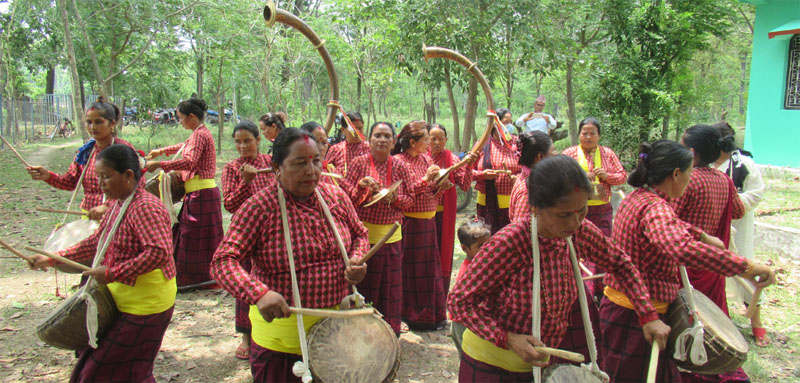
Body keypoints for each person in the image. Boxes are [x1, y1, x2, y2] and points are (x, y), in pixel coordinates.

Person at [449, 155, 667, 382]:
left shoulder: (580, 231)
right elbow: (459, 301)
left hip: (542, 366)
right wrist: (509, 339)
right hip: (493, 365)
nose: (574, 223)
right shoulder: (509, 243)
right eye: (564, 215)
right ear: (535, 209)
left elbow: (621, 264)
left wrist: (648, 314)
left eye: (581, 211)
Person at [601, 140, 775, 382]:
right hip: (637, 313)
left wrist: (702, 235)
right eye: (690, 172)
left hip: (626, 307)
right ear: (675, 174)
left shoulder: (639, 198)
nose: (690, 178)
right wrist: (744, 267)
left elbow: (672, 228)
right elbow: (680, 248)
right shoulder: (655, 207)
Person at [210, 128, 368, 382]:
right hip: (281, 344)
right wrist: (258, 293)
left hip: (335, 334)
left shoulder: (335, 196)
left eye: (316, 161)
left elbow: (360, 234)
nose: (311, 171)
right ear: (276, 168)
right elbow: (222, 262)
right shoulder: (259, 208)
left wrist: (357, 260)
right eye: (299, 163)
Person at [30, 144, 176, 382]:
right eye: (98, 177)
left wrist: (112, 273)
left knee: (103, 372)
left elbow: (159, 253)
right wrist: (51, 258)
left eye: (106, 177)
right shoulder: (117, 203)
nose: (100, 184)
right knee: (115, 369)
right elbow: (97, 242)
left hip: (147, 303)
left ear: (128, 175)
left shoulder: (145, 207)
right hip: (122, 297)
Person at [342, 121, 414, 335]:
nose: (381, 140)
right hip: (361, 238)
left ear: (393, 143)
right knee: (364, 284)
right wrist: (361, 188)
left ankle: (389, 333)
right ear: (369, 140)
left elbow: (410, 200)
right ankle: (361, 331)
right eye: (377, 135)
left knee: (389, 288)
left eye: (386, 136)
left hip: (390, 237)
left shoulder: (401, 166)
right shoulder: (357, 164)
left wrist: (393, 198)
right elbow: (345, 197)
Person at [146, 98, 222, 288]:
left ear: (192, 117)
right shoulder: (198, 133)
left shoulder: (200, 135)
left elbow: (189, 161)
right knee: (194, 237)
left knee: (191, 238)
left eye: (181, 119)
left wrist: (160, 164)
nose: (179, 122)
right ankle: (200, 278)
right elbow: (184, 146)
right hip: (200, 194)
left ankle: (196, 280)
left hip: (202, 194)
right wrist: (161, 151)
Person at [27, 98, 138, 220]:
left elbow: (137, 184)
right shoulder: (86, 152)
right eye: (89, 122)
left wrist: (107, 206)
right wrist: (48, 176)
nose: (93, 127)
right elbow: (71, 182)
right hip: (88, 215)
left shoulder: (123, 149)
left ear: (112, 124)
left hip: (116, 216)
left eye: (98, 122)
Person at [221, 120, 275, 360]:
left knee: (268, 280)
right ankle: (246, 335)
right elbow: (230, 204)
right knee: (245, 284)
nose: (242, 146)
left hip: (271, 232)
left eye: (247, 141)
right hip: (244, 235)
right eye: (238, 142)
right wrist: (246, 182)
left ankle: (270, 331)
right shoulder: (232, 169)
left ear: (258, 140)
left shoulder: (270, 163)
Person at [713, 122, 769, 347]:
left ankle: (757, 323)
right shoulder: (706, 164)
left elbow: (757, 193)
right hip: (712, 226)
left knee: (745, 268)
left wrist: (731, 204)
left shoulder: (744, 164)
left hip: (738, 224)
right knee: (714, 272)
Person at [392, 120, 447, 330]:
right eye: (425, 140)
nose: (428, 144)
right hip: (411, 223)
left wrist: (440, 183)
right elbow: (405, 194)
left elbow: (430, 190)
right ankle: (410, 314)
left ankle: (431, 314)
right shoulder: (398, 162)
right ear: (413, 142)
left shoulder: (425, 159)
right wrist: (426, 179)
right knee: (410, 269)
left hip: (429, 221)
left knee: (429, 268)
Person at [429, 124, 476, 291]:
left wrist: (469, 166)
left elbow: (464, 185)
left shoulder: (452, 160)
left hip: (443, 215)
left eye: (440, 139)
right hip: (423, 216)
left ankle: (440, 291)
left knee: (443, 253)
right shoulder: (421, 158)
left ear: (446, 140)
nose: (436, 142)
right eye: (433, 139)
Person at [562, 118, 626, 236]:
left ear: (599, 136)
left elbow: (622, 176)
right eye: (585, 133)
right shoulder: (569, 154)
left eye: (592, 134)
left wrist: (607, 176)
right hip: (576, 208)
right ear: (579, 135)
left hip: (603, 208)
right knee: (578, 242)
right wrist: (580, 177)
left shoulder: (608, 154)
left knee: (603, 241)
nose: (588, 137)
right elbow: (559, 177)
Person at [449, 218, 491, 354]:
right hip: (464, 324)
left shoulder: (481, 264)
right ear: (465, 248)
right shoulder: (470, 271)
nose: (486, 249)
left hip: (470, 322)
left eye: (488, 244)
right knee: (469, 359)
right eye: (480, 246)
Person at [472, 121, 521, 234]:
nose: (507, 126)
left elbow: (527, 168)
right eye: (504, 122)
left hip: (512, 204)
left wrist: (518, 178)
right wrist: (482, 175)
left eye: (510, 121)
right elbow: (467, 171)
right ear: (494, 125)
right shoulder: (482, 144)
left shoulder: (517, 144)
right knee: (486, 237)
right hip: (486, 205)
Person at [508, 131, 555, 222]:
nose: (556, 154)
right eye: (553, 150)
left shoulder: (531, 180)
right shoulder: (527, 190)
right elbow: (519, 230)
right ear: (540, 156)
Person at [325, 111, 369, 176]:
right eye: (353, 129)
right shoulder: (335, 149)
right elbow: (326, 173)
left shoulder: (370, 148)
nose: (357, 132)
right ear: (343, 130)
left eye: (360, 128)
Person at [300, 121, 339, 185]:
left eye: (324, 143)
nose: (321, 148)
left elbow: (349, 192)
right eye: (315, 142)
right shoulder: (299, 174)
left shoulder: (331, 170)